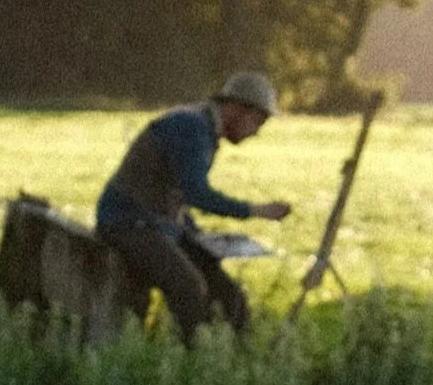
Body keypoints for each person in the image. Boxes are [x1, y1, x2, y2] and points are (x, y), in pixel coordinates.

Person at [96, 72, 291, 342]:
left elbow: (176, 193)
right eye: (257, 122)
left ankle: (236, 356)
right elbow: (197, 193)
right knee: (189, 286)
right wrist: (256, 210)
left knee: (228, 294)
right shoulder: (192, 128)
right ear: (238, 109)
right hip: (127, 223)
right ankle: (193, 358)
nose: (256, 132)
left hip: (157, 223)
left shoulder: (202, 128)